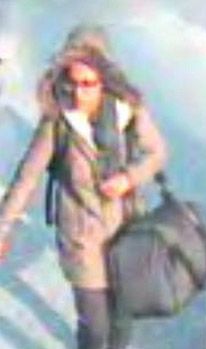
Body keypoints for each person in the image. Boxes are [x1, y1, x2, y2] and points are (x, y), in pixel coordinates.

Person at [0, 26, 167, 349]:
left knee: (121, 320)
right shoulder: (57, 121)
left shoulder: (128, 112)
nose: (79, 93)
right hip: (81, 238)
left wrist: (129, 178)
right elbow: (27, 177)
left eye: (88, 84)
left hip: (126, 232)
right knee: (96, 329)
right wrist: (4, 225)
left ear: (104, 80)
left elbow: (157, 152)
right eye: (71, 82)